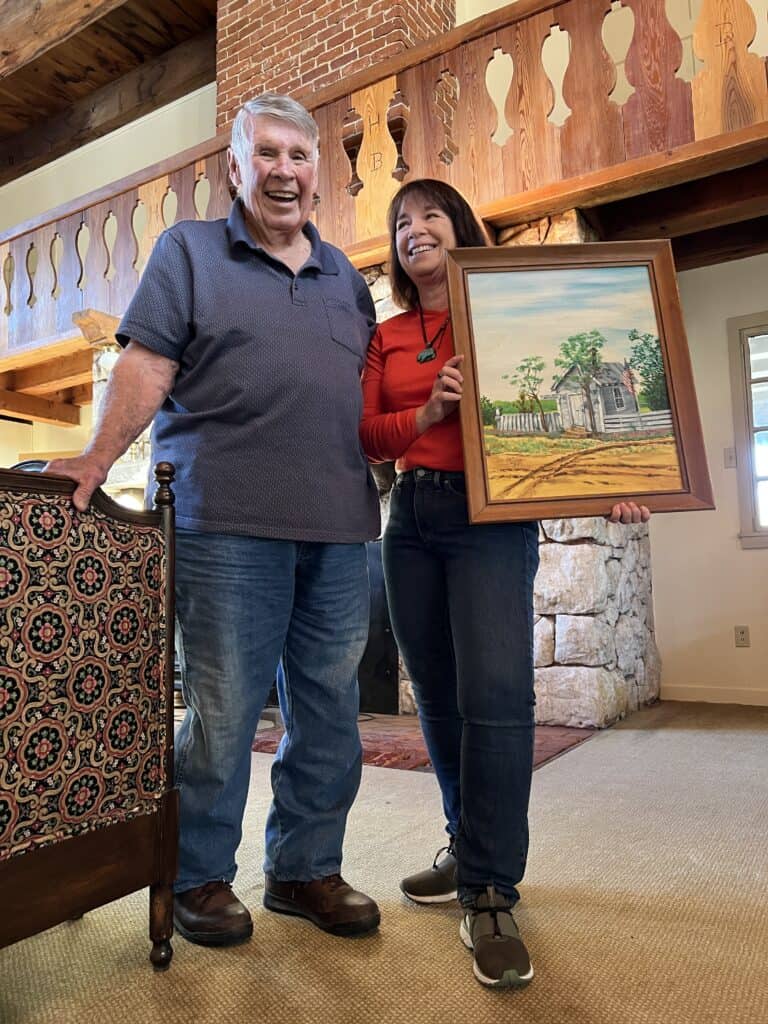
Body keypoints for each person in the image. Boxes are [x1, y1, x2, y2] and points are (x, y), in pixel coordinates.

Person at [46, 93, 382, 947]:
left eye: (298, 157)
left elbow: (365, 395)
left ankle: (306, 868)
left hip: (342, 529)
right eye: (265, 155)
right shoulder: (189, 250)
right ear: (235, 168)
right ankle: (198, 877)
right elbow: (147, 365)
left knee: (330, 712)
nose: (283, 171)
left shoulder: (347, 277)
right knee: (224, 712)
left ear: (318, 172)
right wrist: (94, 455)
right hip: (226, 525)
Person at [359, 178, 650, 989]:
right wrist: (421, 419)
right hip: (408, 523)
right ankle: (465, 848)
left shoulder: (511, 314)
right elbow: (367, 434)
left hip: (492, 524)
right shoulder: (384, 336)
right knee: (440, 702)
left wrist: (612, 482)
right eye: (401, 222)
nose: (415, 229)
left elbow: (565, 415)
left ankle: (491, 891)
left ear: (461, 229)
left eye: (431, 215)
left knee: (497, 699)